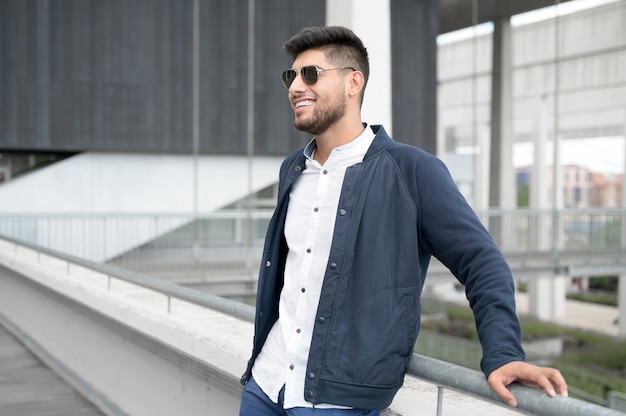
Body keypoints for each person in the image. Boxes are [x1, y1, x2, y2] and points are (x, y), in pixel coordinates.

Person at [239, 25, 568, 415]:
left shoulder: (413, 171)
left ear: (353, 82)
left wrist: (503, 352)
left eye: (310, 74)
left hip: (337, 402)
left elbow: (483, 262)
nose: (295, 86)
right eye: (290, 76)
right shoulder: (293, 169)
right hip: (266, 383)